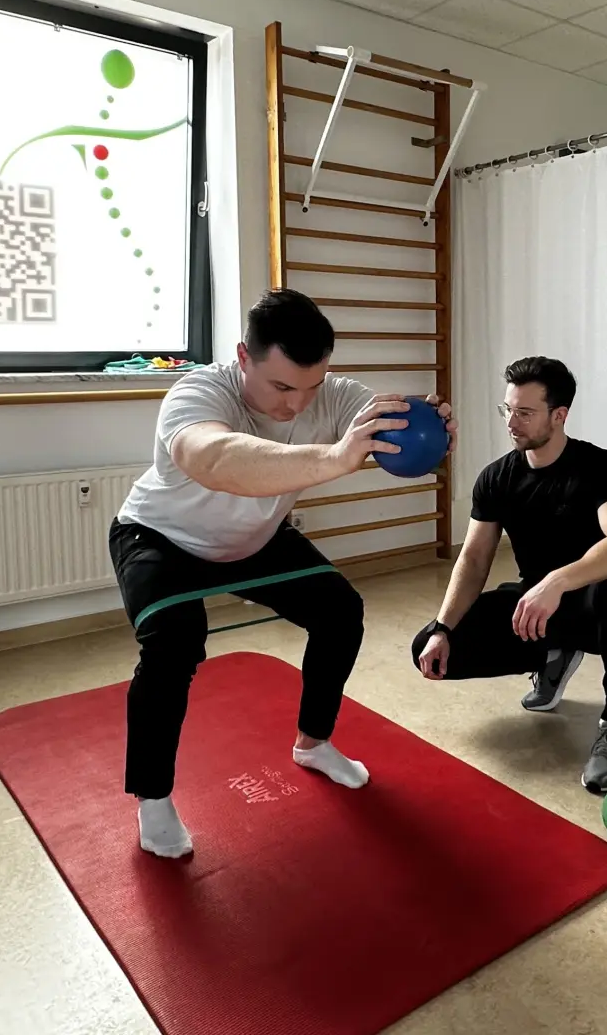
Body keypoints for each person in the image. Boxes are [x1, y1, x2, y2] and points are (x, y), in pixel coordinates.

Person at [109, 288, 456, 857]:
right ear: (244, 357)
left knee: (341, 613)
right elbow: (216, 461)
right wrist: (334, 457)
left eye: (312, 386)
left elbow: (386, 427)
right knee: (173, 645)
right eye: (282, 387)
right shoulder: (197, 393)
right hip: (161, 539)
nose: (298, 405)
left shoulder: (335, 396)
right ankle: (153, 799)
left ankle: (313, 743)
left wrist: (428, 424)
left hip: (257, 540)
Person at [411, 356, 607, 792]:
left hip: (591, 606)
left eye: (525, 412)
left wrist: (557, 581)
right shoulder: (496, 478)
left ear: (559, 416)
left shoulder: (600, 468)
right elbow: (473, 559)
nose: (512, 422)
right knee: (431, 648)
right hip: (535, 609)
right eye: (508, 409)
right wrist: (443, 627)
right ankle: (553, 657)